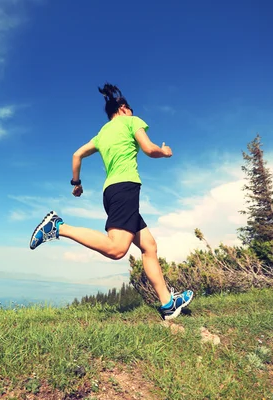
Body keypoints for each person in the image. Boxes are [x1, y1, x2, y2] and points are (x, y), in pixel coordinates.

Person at [29, 83, 193, 320]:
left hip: (111, 192)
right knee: (117, 249)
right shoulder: (131, 121)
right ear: (124, 108)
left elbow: (76, 155)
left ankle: (167, 303)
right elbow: (148, 149)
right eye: (131, 110)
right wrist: (165, 152)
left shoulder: (101, 134)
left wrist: (76, 183)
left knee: (149, 247)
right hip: (126, 188)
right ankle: (57, 227)